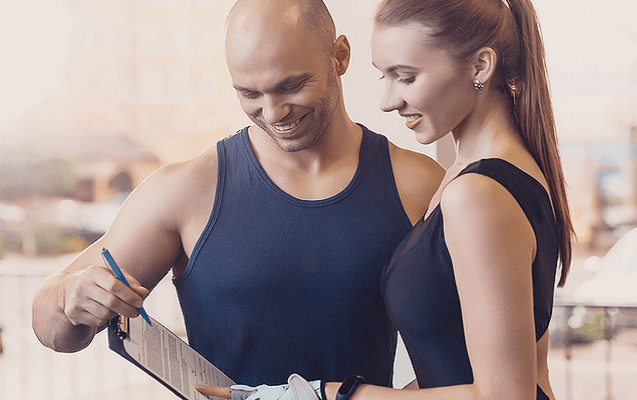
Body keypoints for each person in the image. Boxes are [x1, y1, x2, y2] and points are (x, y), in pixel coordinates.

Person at [31, 0, 445, 389]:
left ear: (339, 56)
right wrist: (71, 298)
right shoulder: (186, 190)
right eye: (249, 94)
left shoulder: (419, 186)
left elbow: (470, 363)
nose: (273, 112)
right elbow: (52, 328)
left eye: (292, 86)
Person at [196, 0, 575, 399]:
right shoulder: (497, 172)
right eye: (384, 77)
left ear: (480, 66)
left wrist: (329, 394)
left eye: (406, 78)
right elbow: (470, 370)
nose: (388, 101)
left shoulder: (476, 193)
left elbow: (505, 396)